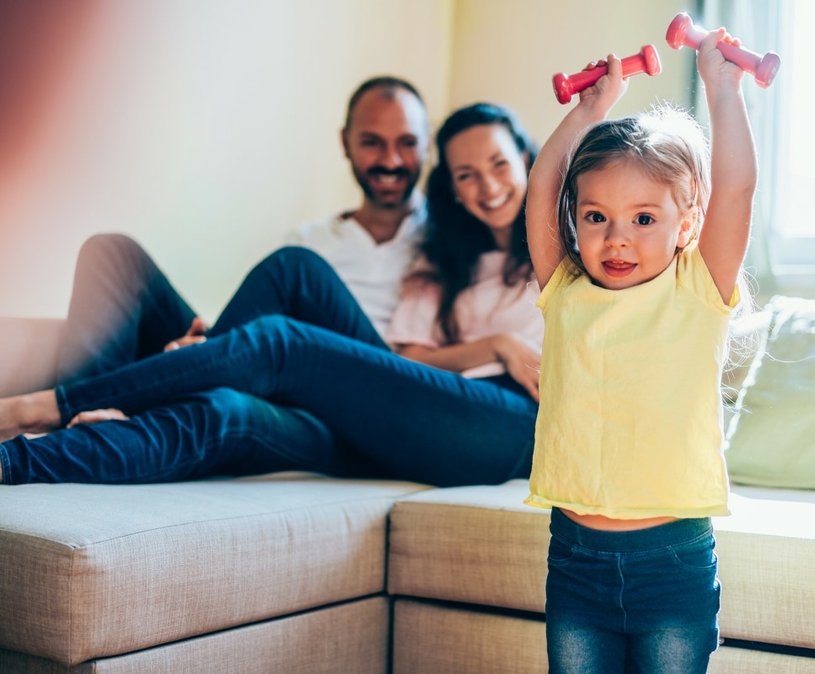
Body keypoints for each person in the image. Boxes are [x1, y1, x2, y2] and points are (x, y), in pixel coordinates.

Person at [0, 103, 543, 488]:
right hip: (377, 387)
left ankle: (42, 417)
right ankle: (138, 391)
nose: (487, 186)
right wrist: (214, 350)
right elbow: (408, 359)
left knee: (248, 381)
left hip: (441, 411)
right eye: (466, 175)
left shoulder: (551, 247)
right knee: (290, 271)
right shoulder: (445, 259)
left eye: (498, 164)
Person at [523, 29, 756, 674]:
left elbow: (733, 191)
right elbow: (543, 191)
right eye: (596, 217)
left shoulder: (699, 289)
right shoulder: (565, 289)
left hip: (672, 563)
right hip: (574, 560)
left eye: (644, 219)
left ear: (686, 224)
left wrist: (722, 89)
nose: (616, 238)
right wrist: (589, 109)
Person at [56, 75, 429, 388]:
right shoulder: (309, 238)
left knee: (294, 268)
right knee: (112, 253)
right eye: (372, 142)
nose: (390, 161)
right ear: (345, 141)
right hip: (278, 365)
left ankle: (167, 378)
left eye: (407, 143)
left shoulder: (449, 241)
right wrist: (207, 345)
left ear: (428, 144)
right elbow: (267, 327)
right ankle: (80, 418)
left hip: (361, 385)